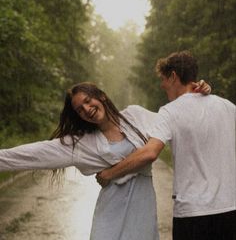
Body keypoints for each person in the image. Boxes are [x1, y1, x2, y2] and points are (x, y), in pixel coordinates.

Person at [0, 81, 210, 240]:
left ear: (100, 96)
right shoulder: (81, 143)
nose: (86, 109)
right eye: (80, 110)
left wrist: (193, 95)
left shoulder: (136, 116)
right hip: (110, 211)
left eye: (87, 101)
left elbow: (175, 120)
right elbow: (34, 153)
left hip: (142, 207)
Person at [96, 51, 236, 240]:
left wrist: (109, 174)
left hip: (192, 214)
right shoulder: (228, 106)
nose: (162, 85)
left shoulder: (170, 111)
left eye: (163, 79)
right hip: (230, 209)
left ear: (173, 76)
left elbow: (149, 153)